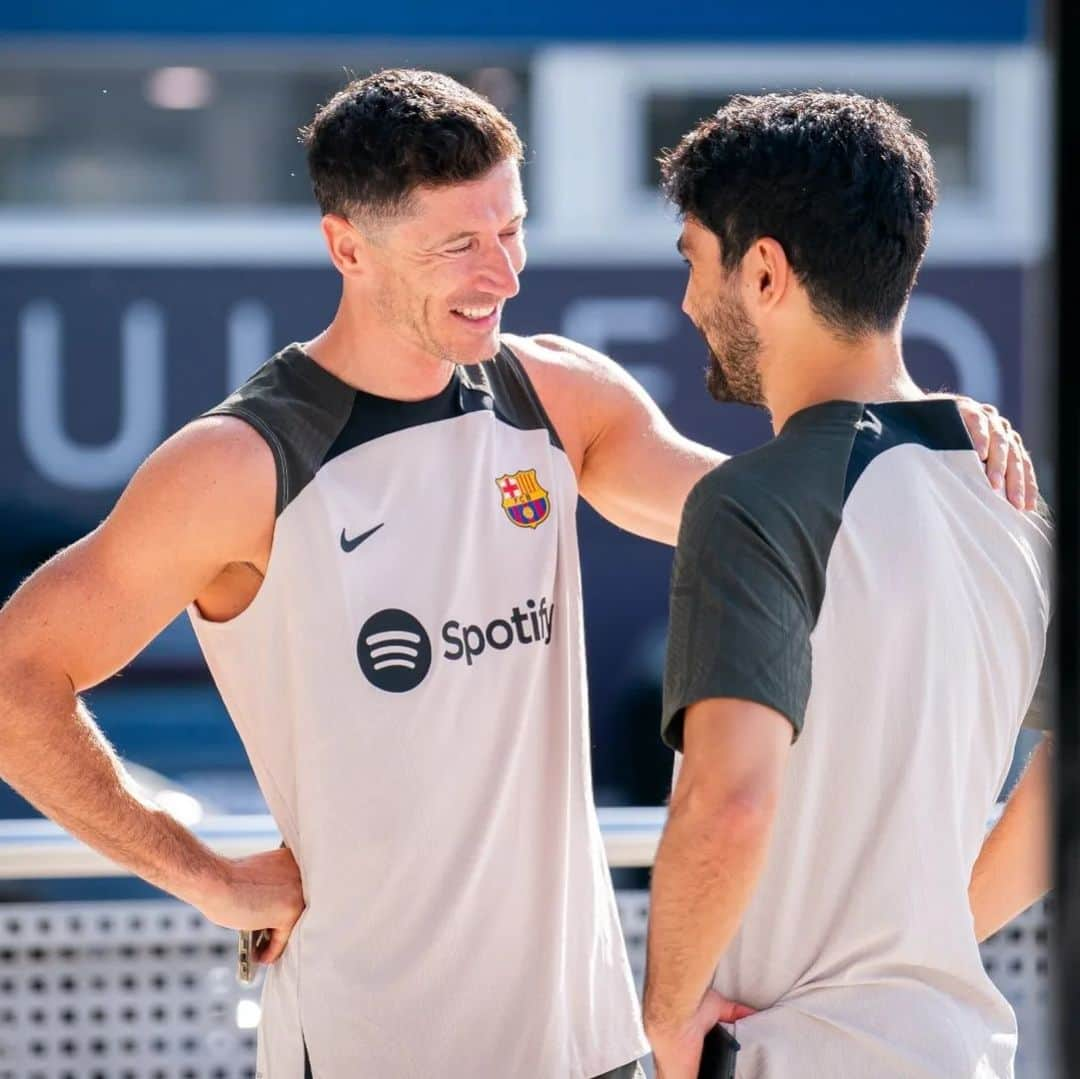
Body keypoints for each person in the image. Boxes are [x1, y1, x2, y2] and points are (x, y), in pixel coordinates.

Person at [0, 71, 1032, 1079]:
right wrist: (207, 873)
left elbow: (802, 521)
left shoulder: (558, 396)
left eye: (512, 228)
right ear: (346, 246)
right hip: (372, 1041)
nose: (503, 273)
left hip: (588, 1044)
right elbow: (17, 682)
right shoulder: (237, 464)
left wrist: (912, 436)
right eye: (458, 243)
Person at [642, 91, 1053, 1079]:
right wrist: (927, 937)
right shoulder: (1013, 498)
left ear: (766, 271)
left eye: (697, 260)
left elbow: (727, 802)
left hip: (790, 1050)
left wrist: (661, 1018)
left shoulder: (754, 502)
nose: (692, 301)